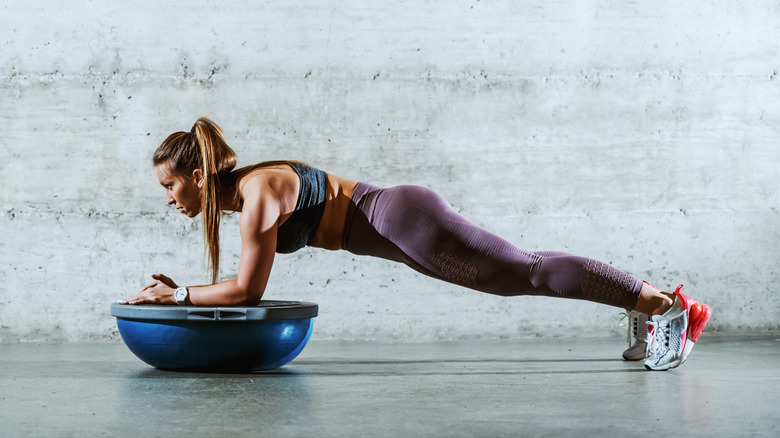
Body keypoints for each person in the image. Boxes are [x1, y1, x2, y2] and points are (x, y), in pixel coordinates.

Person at [120, 117, 712, 371]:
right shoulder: (248, 192)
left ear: (196, 175)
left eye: (170, 185)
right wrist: (187, 294)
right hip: (397, 225)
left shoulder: (256, 197)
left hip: (401, 218)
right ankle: (644, 307)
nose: (168, 197)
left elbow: (250, 289)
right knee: (517, 275)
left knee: (522, 274)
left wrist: (180, 299)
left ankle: (665, 308)